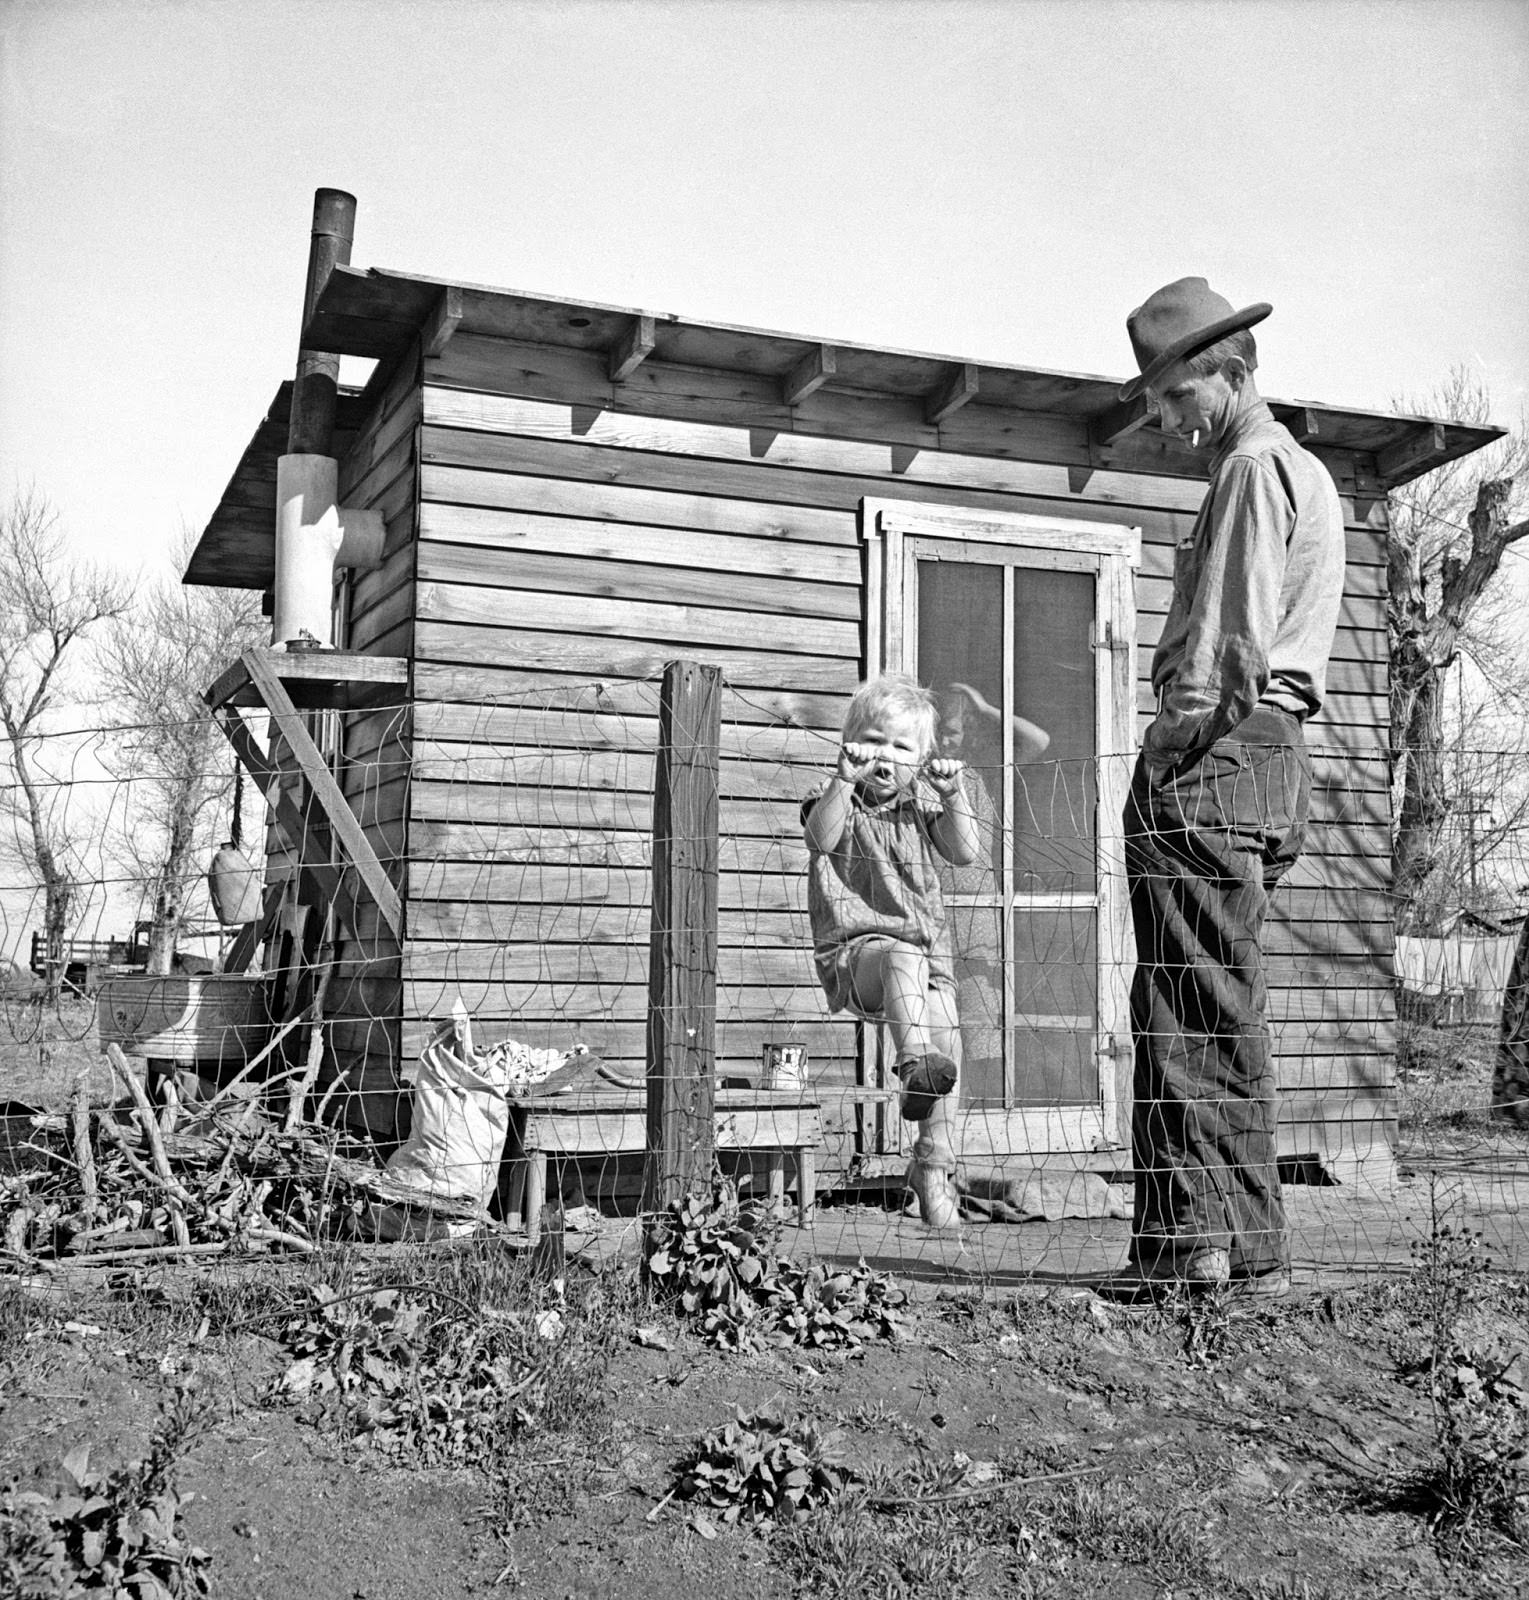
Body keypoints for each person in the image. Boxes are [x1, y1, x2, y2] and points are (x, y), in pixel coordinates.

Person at [1115, 277, 1345, 1297]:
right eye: (1157, 403)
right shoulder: (1305, 470)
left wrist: (1172, 746)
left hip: (1216, 751)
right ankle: (1214, 1247)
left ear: (1235, 372)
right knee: (1205, 998)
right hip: (1271, 758)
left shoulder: (1250, 468)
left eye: (1178, 397)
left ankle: (1206, 1250)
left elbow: (1228, 643)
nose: (1168, 423)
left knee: (1187, 1006)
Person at [802, 673, 978, 1228]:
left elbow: (966, 852)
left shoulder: (920, 809)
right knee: (902, 958)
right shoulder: (835, 798)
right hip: (858, 956)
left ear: (921, 759)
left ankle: (933, 1166)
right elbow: (819, 838)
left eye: (902, 747)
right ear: (850, 744)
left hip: (927, 958)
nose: (885, 756)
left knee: (948, 1030)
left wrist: (953, 794)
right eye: (873, 741)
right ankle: (913, 1065)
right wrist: (841, 780)